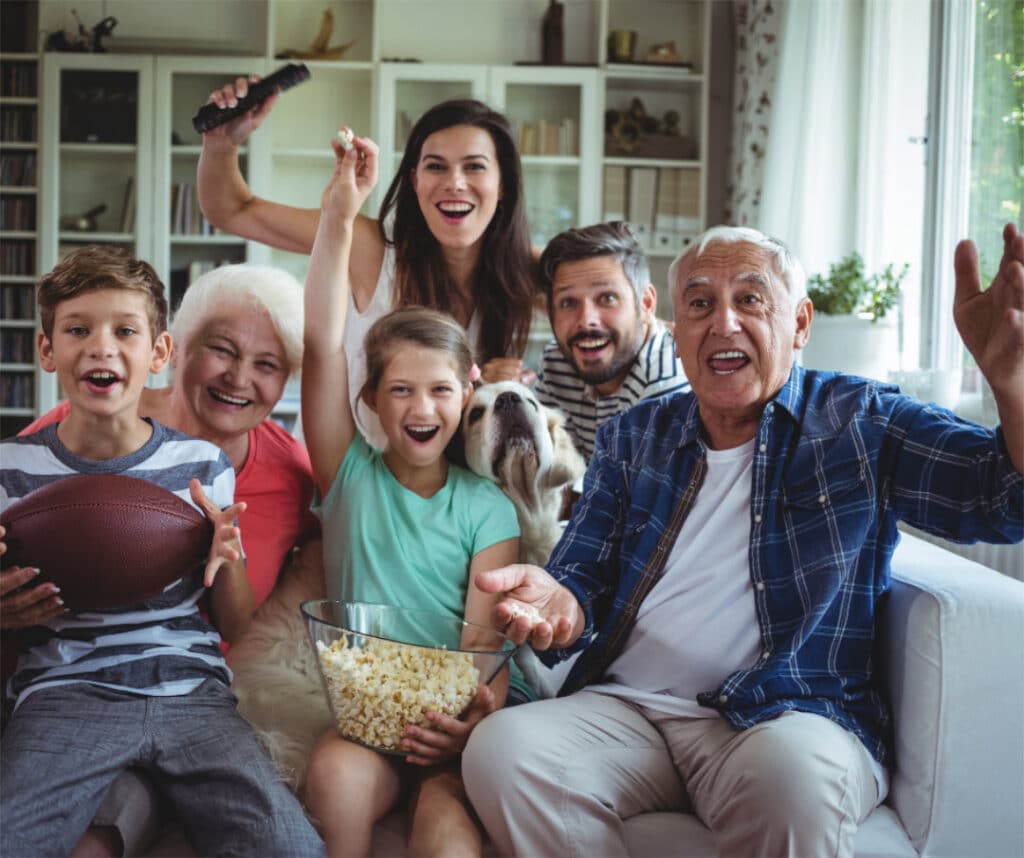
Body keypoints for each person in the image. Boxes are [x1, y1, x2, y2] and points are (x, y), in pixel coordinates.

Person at [461, 223, 1024, 858]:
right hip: (630, 712)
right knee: (501, 751)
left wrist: (1013, 386)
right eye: (700, 303)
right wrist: (561, 603)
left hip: (786, 716)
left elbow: (1002, 500)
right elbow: (581, 572)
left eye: (751, 299)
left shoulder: (861, 421)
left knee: (795, 780)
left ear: (801, 323)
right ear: (678, 331)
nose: (723, 322)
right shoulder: (634, 435)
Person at [0, 245, 325, 857]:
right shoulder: (11, 468)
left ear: (158, 352)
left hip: (192, 692)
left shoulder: (201, 466)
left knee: (291, 847)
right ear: (47, 351)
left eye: (125, 330)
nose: (101, 347)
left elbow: (233, 620)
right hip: (67, 691)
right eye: (78, 330)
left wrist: (229, 554)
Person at [299, 131, 527, 858]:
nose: (419, 408)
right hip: (364, 723)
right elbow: (320, 342)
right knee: (333, 777)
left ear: (469, 395)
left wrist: (466, 723)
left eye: (438, 390)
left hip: (453, 725)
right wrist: (341, 211)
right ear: (369, 399)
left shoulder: (488, 506)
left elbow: (482, 644)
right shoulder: (350, 474)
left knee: (447, 827)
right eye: (399, 390)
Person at [197, 84, 538, 444]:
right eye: (435, 167)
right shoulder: (372, 247)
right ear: (414, 181)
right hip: (339, 482)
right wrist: (222, 142)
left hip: (441, 493)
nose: (454, 183)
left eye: (475, 167)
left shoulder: (523, 268)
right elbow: (232, 210)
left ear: (503, 184)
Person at [534, 220, 689, 461]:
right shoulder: (557, 363)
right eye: (568, 303)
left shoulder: (667, 383)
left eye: (607, 298)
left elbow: (638, 497)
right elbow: (552, 475)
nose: (586, 321)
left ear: (646, 304)